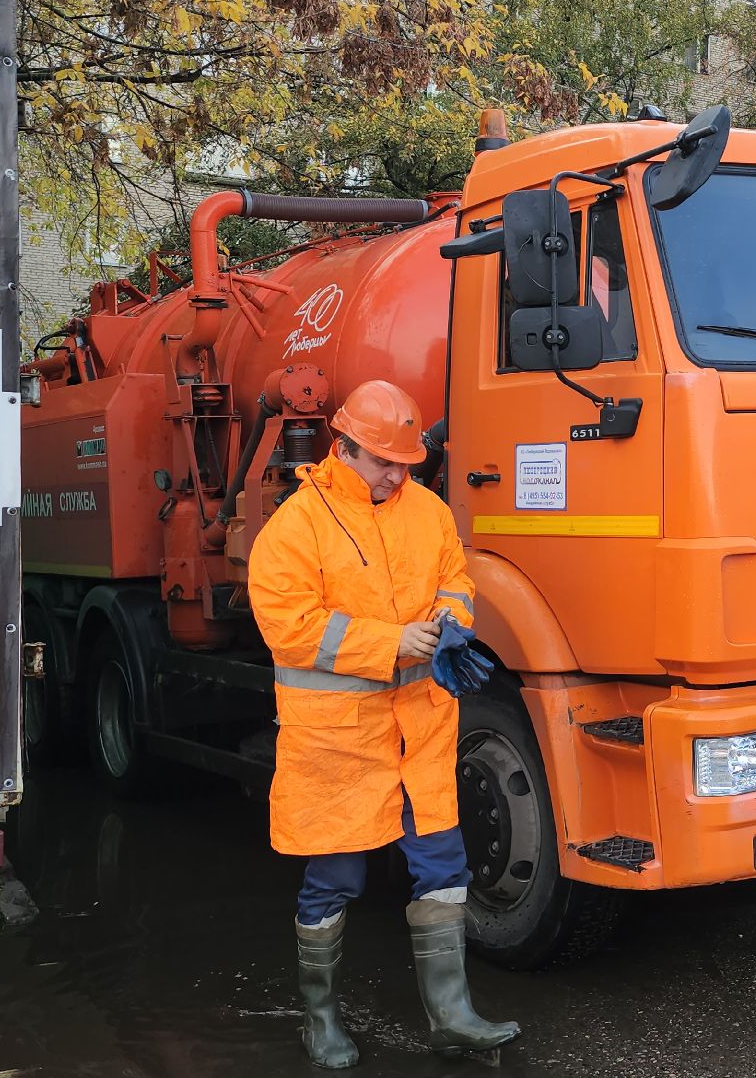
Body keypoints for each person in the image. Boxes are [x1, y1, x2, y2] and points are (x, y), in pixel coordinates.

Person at [248, 380, 518, 1069]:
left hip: (420, 733)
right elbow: (290, 628)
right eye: (384, 461)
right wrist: (394, 643)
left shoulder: (425, 511)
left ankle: (452, 1017)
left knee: (443, 867)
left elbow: (456, 579)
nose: (399, 473)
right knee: (336, 878)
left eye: (407, 461)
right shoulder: (296, 526)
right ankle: (320, 1021)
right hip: (339, 741)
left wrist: (454, 626)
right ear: (344, 447)